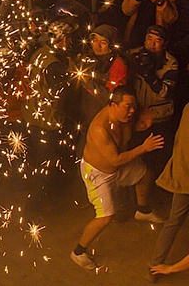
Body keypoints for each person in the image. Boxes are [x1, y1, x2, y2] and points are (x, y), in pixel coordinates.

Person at [71, 85, 165, 270]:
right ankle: (78, 251)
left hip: (120, 165)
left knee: (146, 174)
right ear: (113, 105)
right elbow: (114, 159)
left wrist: (142, 125)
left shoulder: (125, 118)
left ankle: (142, 210)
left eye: (133, 107)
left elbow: (125, 140)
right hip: (98, 174)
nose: (132, 111)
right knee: (106, 216)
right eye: (127, 107)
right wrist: (144, 148)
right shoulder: (100, 128)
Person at [22, 19, 76, 213]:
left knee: (36, 165)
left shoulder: (40, 53)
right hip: (48, 122)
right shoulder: (54, 65)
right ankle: (33, 211)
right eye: (69, 38)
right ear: (64, 39)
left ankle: (32, 203)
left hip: (32, 117)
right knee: (44, 169)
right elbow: (61, 97)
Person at [129, 25, 179, 177]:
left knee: (157, 160)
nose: (152, 44)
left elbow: (165, 92)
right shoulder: (133, 55)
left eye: (157, 41)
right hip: (137, 115)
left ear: (164, 44)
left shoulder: (170, 63)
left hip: (159, 118)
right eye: (149, 39)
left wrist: (149, 75)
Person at [149, 102, 189, 280]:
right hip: (184, 178)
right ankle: (157, 267)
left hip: (183, 178)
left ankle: (154, 266)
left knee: (173, 221)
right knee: (174, 221)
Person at [74, 24, 128, 154]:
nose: (97, 45)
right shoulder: (88, 59)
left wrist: (87, 81)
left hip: (102, 126)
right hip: (83, 120)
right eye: (95, 40)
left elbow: (111, 99)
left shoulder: (118, 65)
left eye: (103, 42)